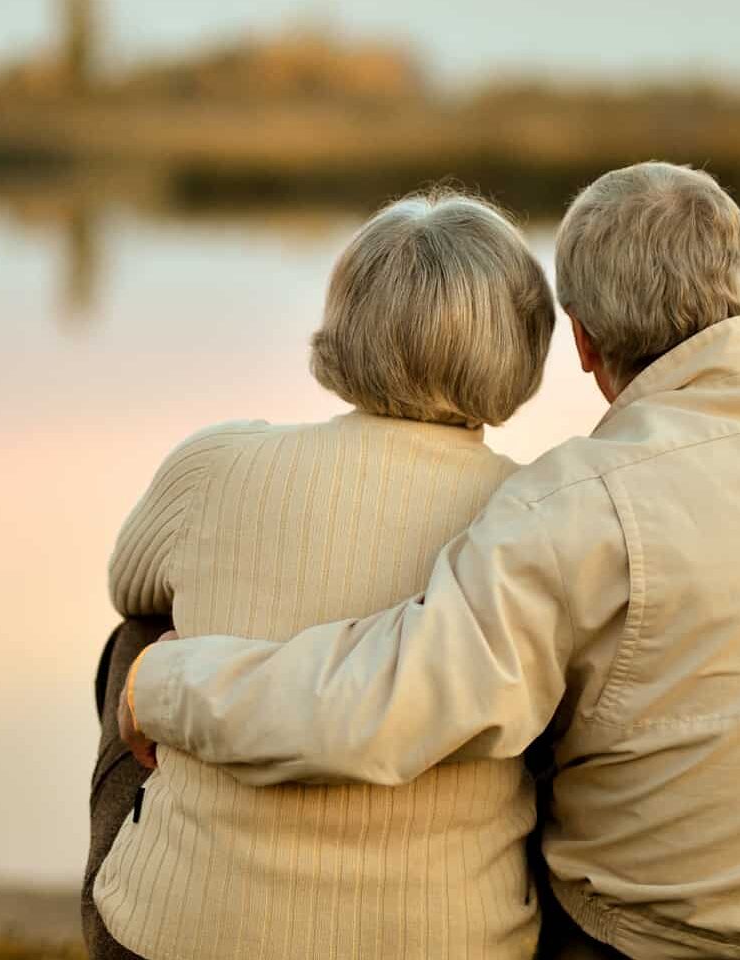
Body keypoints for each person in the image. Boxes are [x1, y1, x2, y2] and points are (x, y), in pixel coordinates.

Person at [119, 162, 740, 960]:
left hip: (658, 940)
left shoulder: (576, 503)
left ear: (579, 341)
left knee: (530, 693)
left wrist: (158, 686)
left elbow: (388, 704)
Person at [85, 191, 558, 960]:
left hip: (175, 942)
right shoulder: (542, 509)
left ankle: (174, 865)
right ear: (523, 345)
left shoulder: (217, 463)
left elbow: (127, 583)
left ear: (344, 327)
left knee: (138, 634)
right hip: (458, 944)